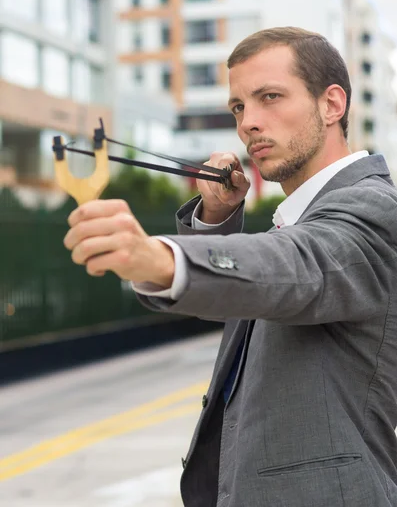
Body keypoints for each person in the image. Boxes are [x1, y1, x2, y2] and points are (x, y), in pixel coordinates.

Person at [64, 27, 397, 507]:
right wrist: (215, 218)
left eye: (270, 97)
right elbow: (254, 296)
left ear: (332, 105)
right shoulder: (300, 218)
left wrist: (162, 256)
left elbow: (296, 267)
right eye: (239, 107)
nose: (248, 124)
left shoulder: (372, 208)